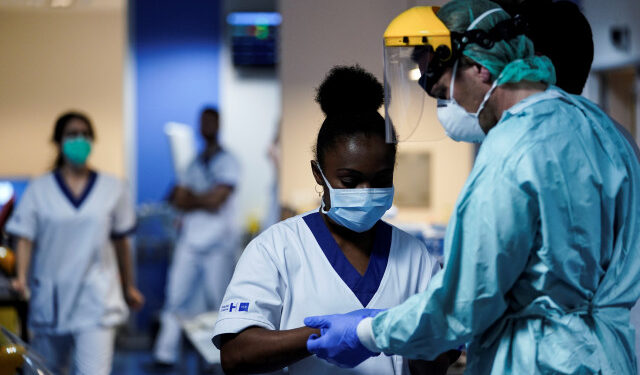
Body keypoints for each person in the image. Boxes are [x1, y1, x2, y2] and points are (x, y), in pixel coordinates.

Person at [303, 1, 640, 374]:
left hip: (539, 361)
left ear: (480, 68)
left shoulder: (512, 148)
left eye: (446, 91)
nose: (449, 105)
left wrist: (366, 331)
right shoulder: (607, 133)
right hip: (613, 357)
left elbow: (462, 304)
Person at [211, 66, 459, 375]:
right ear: (319, 174)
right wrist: (321, 337)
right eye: (350, 180)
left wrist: (406, 334)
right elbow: (235, 355)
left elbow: (433, 366)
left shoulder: (416, 257)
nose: (366, 192)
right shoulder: (277, 249)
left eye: (381, 179)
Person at [6, 111, 145, 375]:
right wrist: (21, 278)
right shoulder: (40, 188)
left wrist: (129, 287)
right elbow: (24, 236)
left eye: (85, 134)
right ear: (58, 141)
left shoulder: (113, 188)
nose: (79, 140)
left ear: (92, 140)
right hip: (52, 299)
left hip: (96, 300)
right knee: (46, 371)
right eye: (72, 134)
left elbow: (121, 243)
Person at [150, 107, 241, 368]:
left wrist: (190, 198)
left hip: (218, 244)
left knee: (219, 302)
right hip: (190, 241)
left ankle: (222, 357)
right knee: (175, 298)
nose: (207, 126)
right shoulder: (192, 162)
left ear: (218, 124)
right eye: (203, 122)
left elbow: (216, 200)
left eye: (211, 121)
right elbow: (173, 197)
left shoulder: (229, 161)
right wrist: (198, 199)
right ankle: (164, 356)